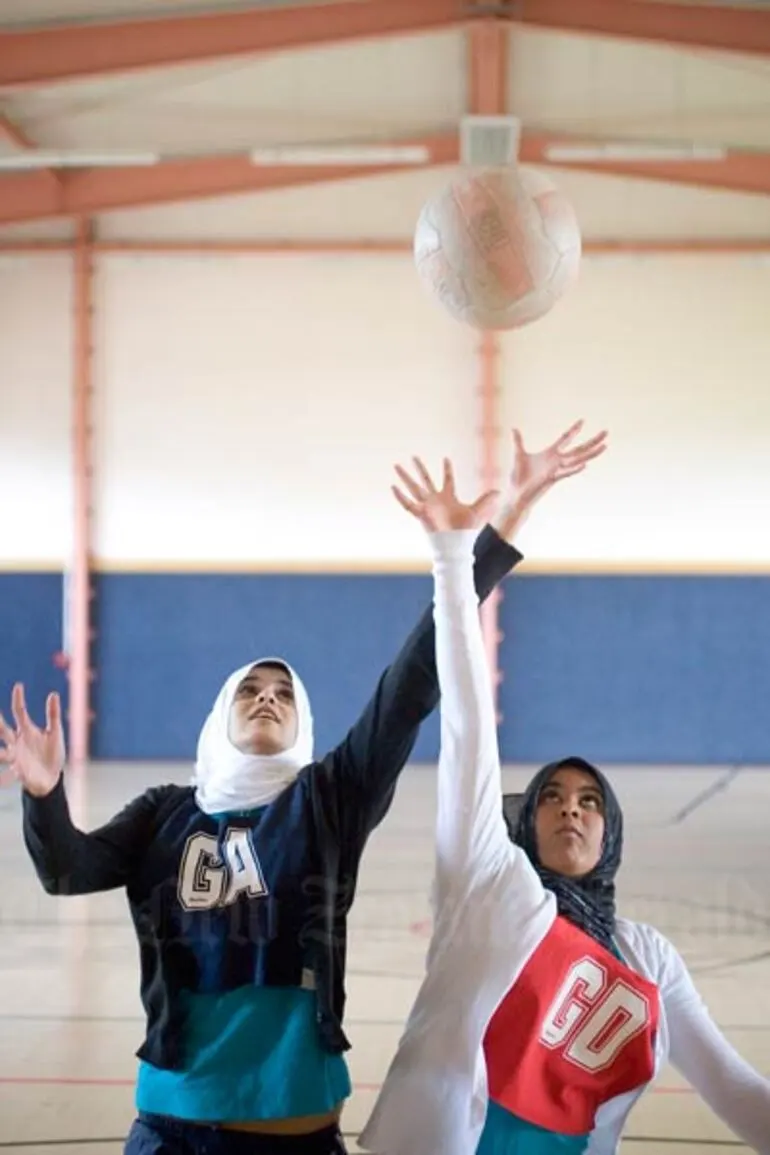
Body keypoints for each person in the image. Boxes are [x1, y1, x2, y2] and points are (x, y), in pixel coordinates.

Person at [0, 422, 606, 1155]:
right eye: (249, 689)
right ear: (218, 714)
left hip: (294, 1130)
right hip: (168, 1126)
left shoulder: (328, 800)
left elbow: (413, 680)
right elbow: (68, 868)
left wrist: (493, 530)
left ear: (302, 720)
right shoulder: (163, 812)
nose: (266, 697)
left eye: (282, 691)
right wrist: (43, 794)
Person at [360, 458, 770, 1155]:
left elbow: (733, 1088)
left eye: (588, 800)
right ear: (523, 822)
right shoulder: (488, 882)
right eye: (550, 796)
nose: (569, 809)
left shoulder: (649, 958)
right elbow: (465, 723)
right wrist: (454, 557)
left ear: (611, 831)